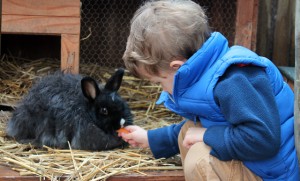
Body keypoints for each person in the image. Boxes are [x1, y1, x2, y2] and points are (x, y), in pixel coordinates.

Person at [119, 0, 299, 180]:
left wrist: (207, 135)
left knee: (201, 160)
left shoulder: (233, 81)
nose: (162, 90)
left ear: (177, 67)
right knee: (189, 132)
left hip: (272, 174)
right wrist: (150, 138)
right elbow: (207, 123)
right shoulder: (208, 74)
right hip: (257, 163)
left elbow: (262, 140)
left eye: (159, 81)